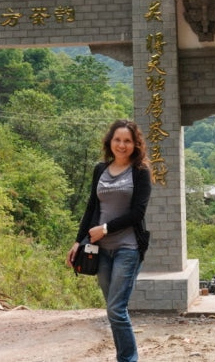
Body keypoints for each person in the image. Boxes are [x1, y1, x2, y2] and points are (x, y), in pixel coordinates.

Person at [66, 119, 152, 362]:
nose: (122, 145)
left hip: (128, 248)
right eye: (117, 140)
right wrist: (78, 240)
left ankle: (128, 359)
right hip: (100, 250)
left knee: (116, 308)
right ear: (110, 141)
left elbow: (138, 213)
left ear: (135, 144)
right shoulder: (100, 169)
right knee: (114, 309)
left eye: (127, 141)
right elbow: (91, 207)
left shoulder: (140, 172)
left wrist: (105, 229)